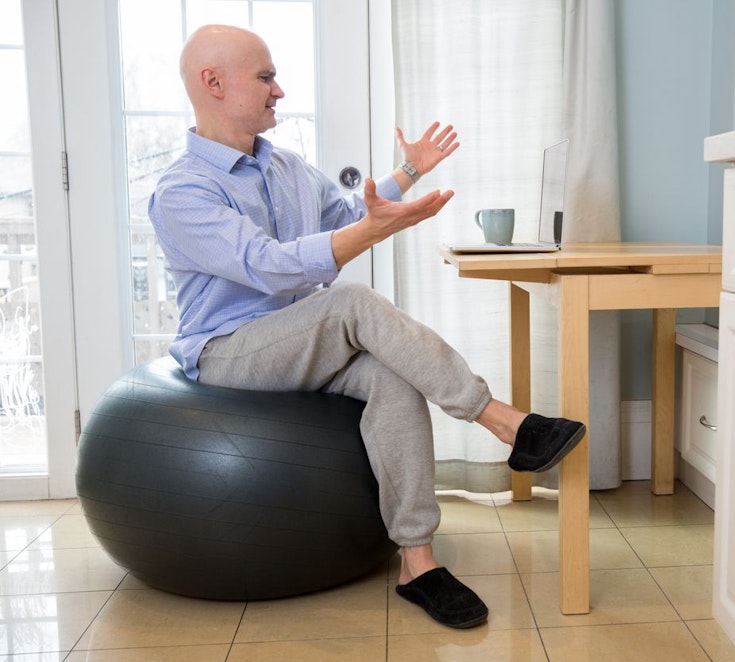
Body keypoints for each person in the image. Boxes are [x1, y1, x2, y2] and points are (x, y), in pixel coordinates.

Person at [148, 24, 586, 629]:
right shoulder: (183, 190)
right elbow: (266, 267)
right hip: (229, 348)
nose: (279, 90)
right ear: (213, 83)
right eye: (266, 77)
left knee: (393, 376)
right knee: (350, 301)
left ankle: (418, 563)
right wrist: (369, 232)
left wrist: (409, 171)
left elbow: (352, 214)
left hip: (300, 338)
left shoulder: (287, 167)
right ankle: (504, 422)